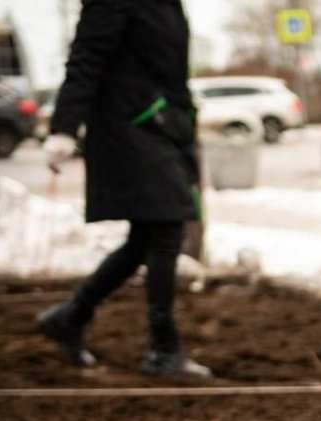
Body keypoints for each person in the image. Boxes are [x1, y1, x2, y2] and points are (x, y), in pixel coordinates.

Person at [36, 0, 210, 376]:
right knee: (166, 226)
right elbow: (86, 56)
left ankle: (70, 316)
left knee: (145, 238)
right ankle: (163, 350)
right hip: (129, 126)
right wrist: (64, 127)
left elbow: (167, 70)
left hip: (162, 126)